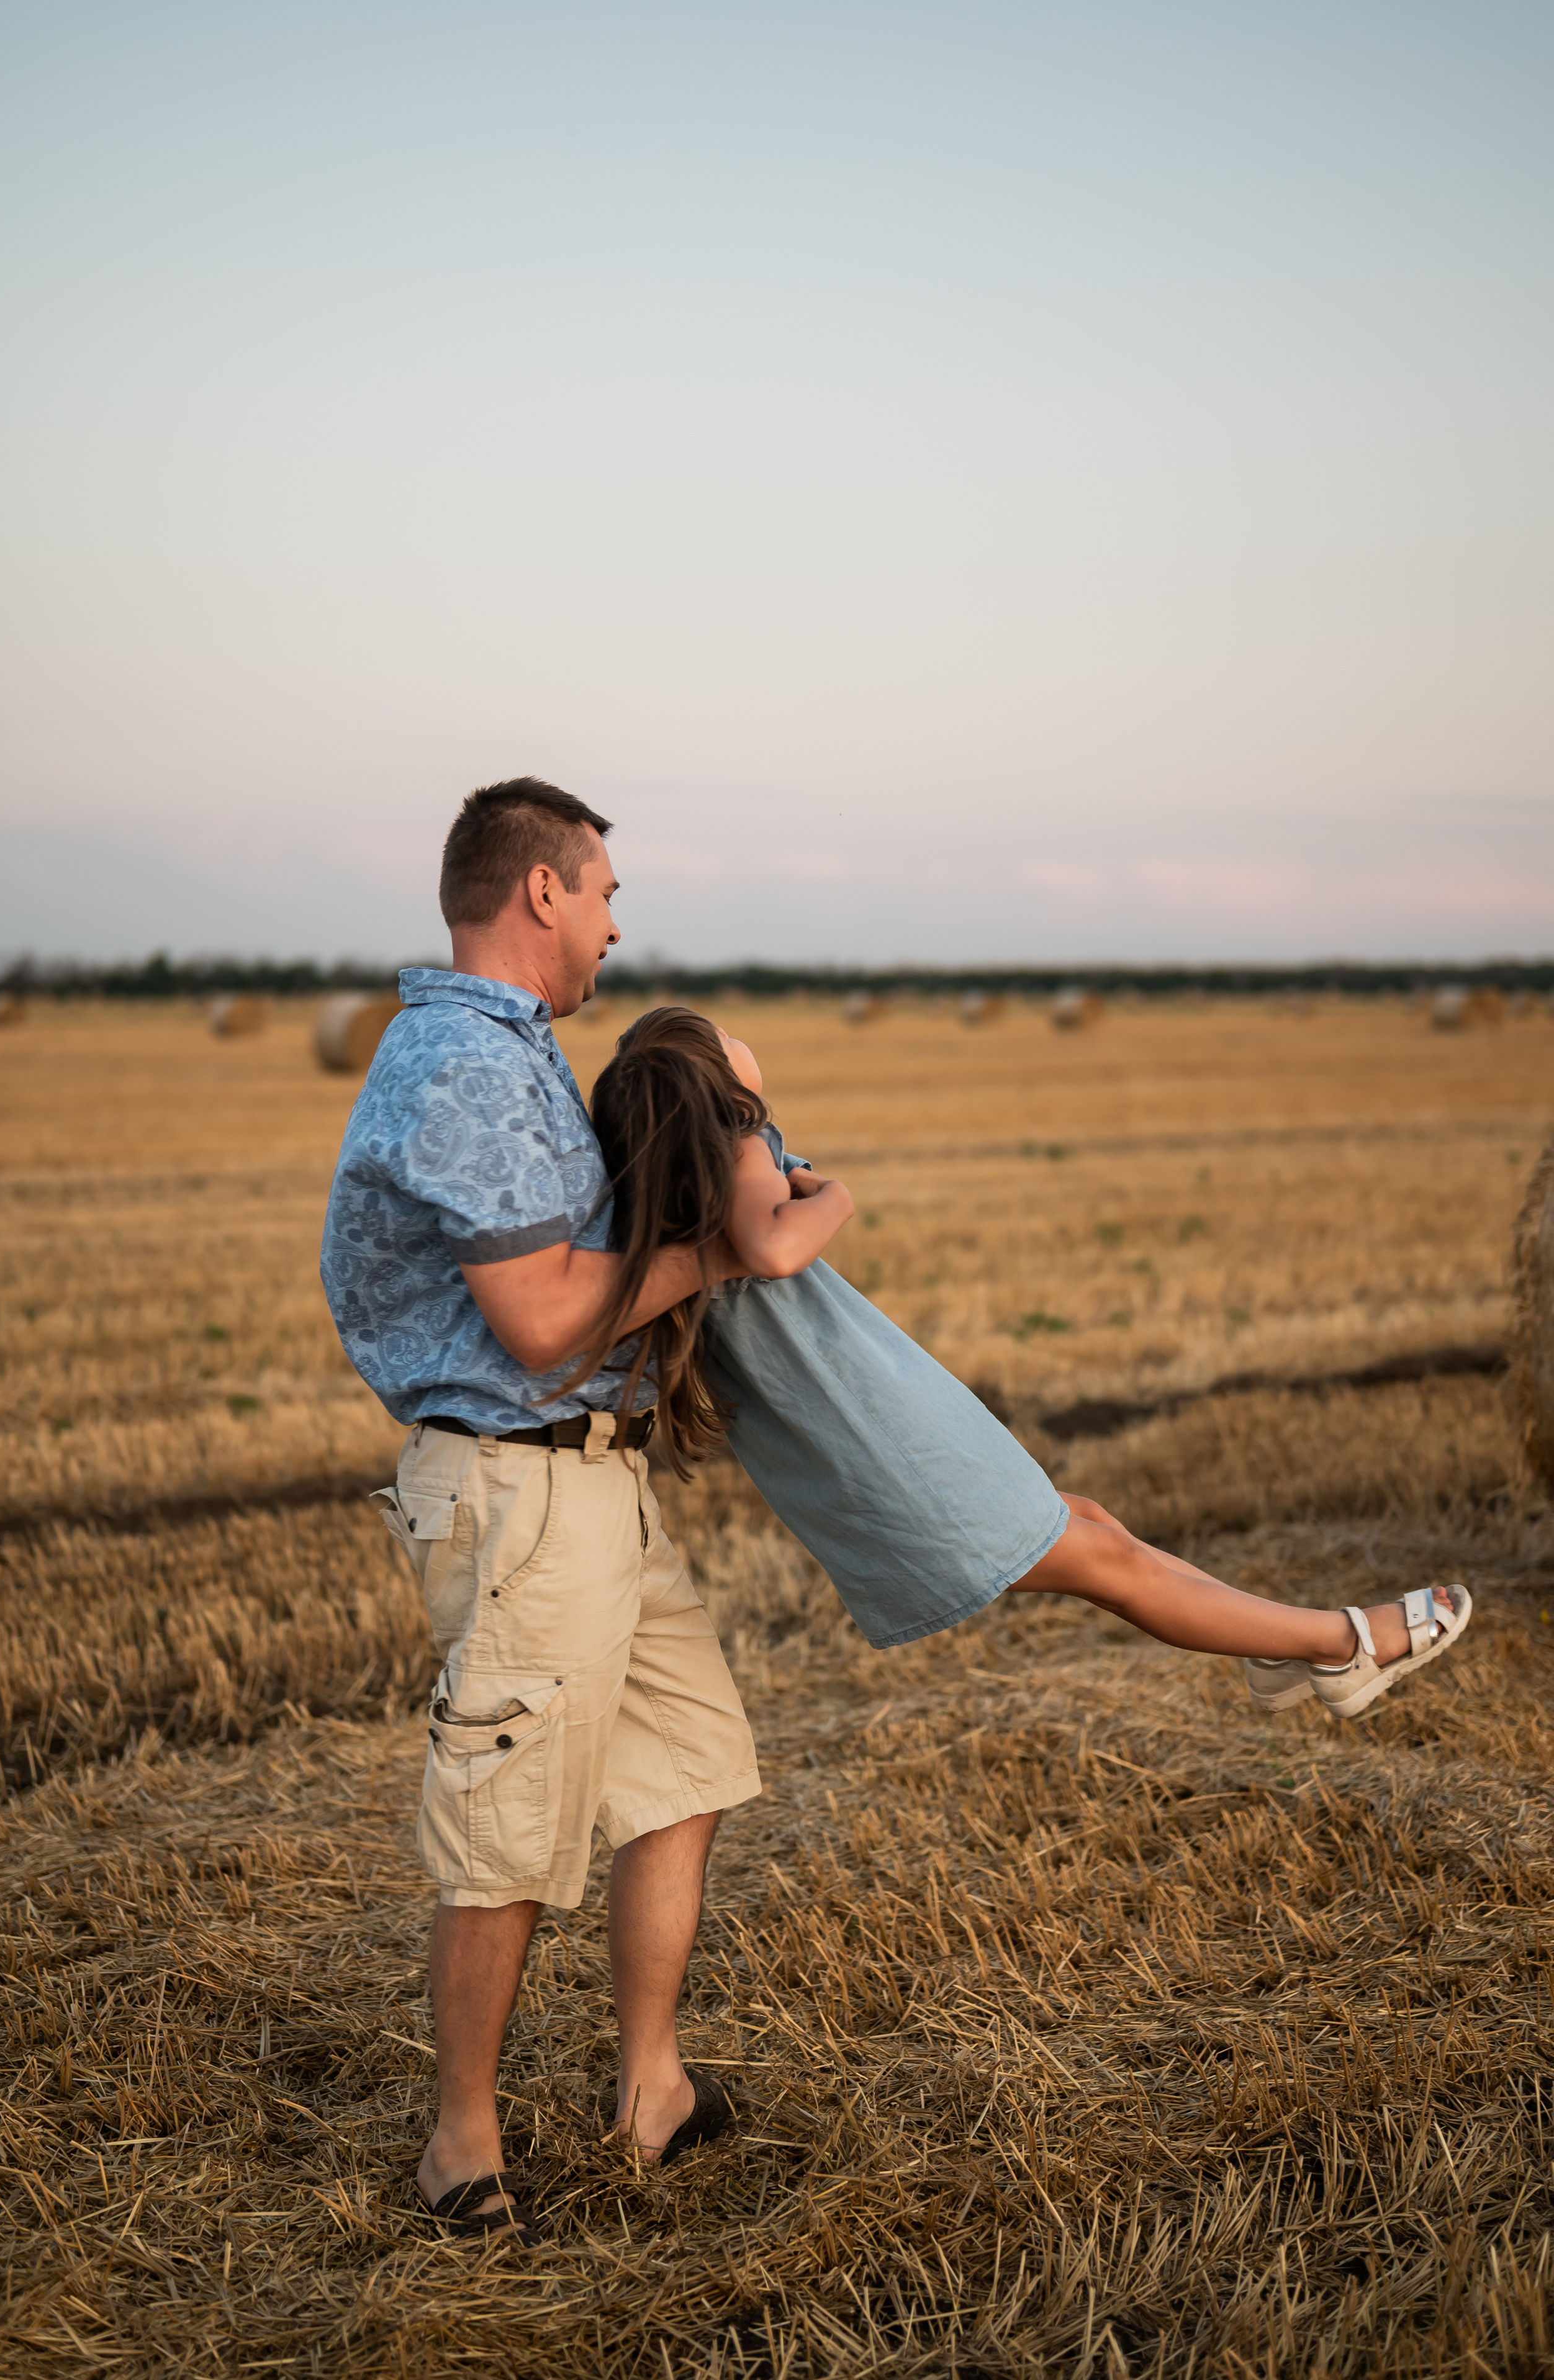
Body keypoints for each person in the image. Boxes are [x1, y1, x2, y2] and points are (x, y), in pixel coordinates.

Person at [320, 783, 760, 2246]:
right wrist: (722, 1253)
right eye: (606, 891)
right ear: (543, 894)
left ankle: (650, 2093)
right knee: (507, 1828)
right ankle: (460, 2145)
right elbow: (546, 1324)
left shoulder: (510, 1053)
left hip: (588, 1482)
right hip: (519, 1493)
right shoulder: (459, 1061)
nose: (619, 921)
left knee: (690, 1757)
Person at [576, 1006, 1470, 1715]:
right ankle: (1343, 1642)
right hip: (887, 1441)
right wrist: (838, 1194)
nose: (746, 1040)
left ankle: (1279, 1646)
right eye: (728, 1036)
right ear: (715, 1082)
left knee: (1092, 1524)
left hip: (870, 1436)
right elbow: (775, 1250)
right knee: (1108, 1562)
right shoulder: (743, 1147)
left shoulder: (675, 1202)